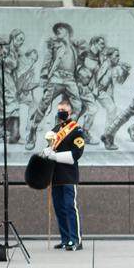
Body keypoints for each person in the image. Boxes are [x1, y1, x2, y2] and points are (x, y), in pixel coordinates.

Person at [25, 22, 82, 150]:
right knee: (44, 104)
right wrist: (44, 77)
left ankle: (62, 134)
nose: (58, 31)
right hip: (56, 77)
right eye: (56, 30)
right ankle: (32, 131)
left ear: (67, 30)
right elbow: (47, 61)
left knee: (78, 107)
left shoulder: (74, 46)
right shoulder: (54, 45)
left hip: (70, 79)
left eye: (61, 29)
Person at [41, 100, 86, 251]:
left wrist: (54, 156)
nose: (61, 112)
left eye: (64, 110)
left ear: (70, 112)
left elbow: (75, 155)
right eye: (59, 109)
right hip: (55, 176)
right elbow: (50, 148)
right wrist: (46, 153)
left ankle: (76, 240)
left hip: (68, 175)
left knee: (70, 207)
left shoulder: (76, 130)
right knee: (59, 209)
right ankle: (66, 239)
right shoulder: (55, 129)